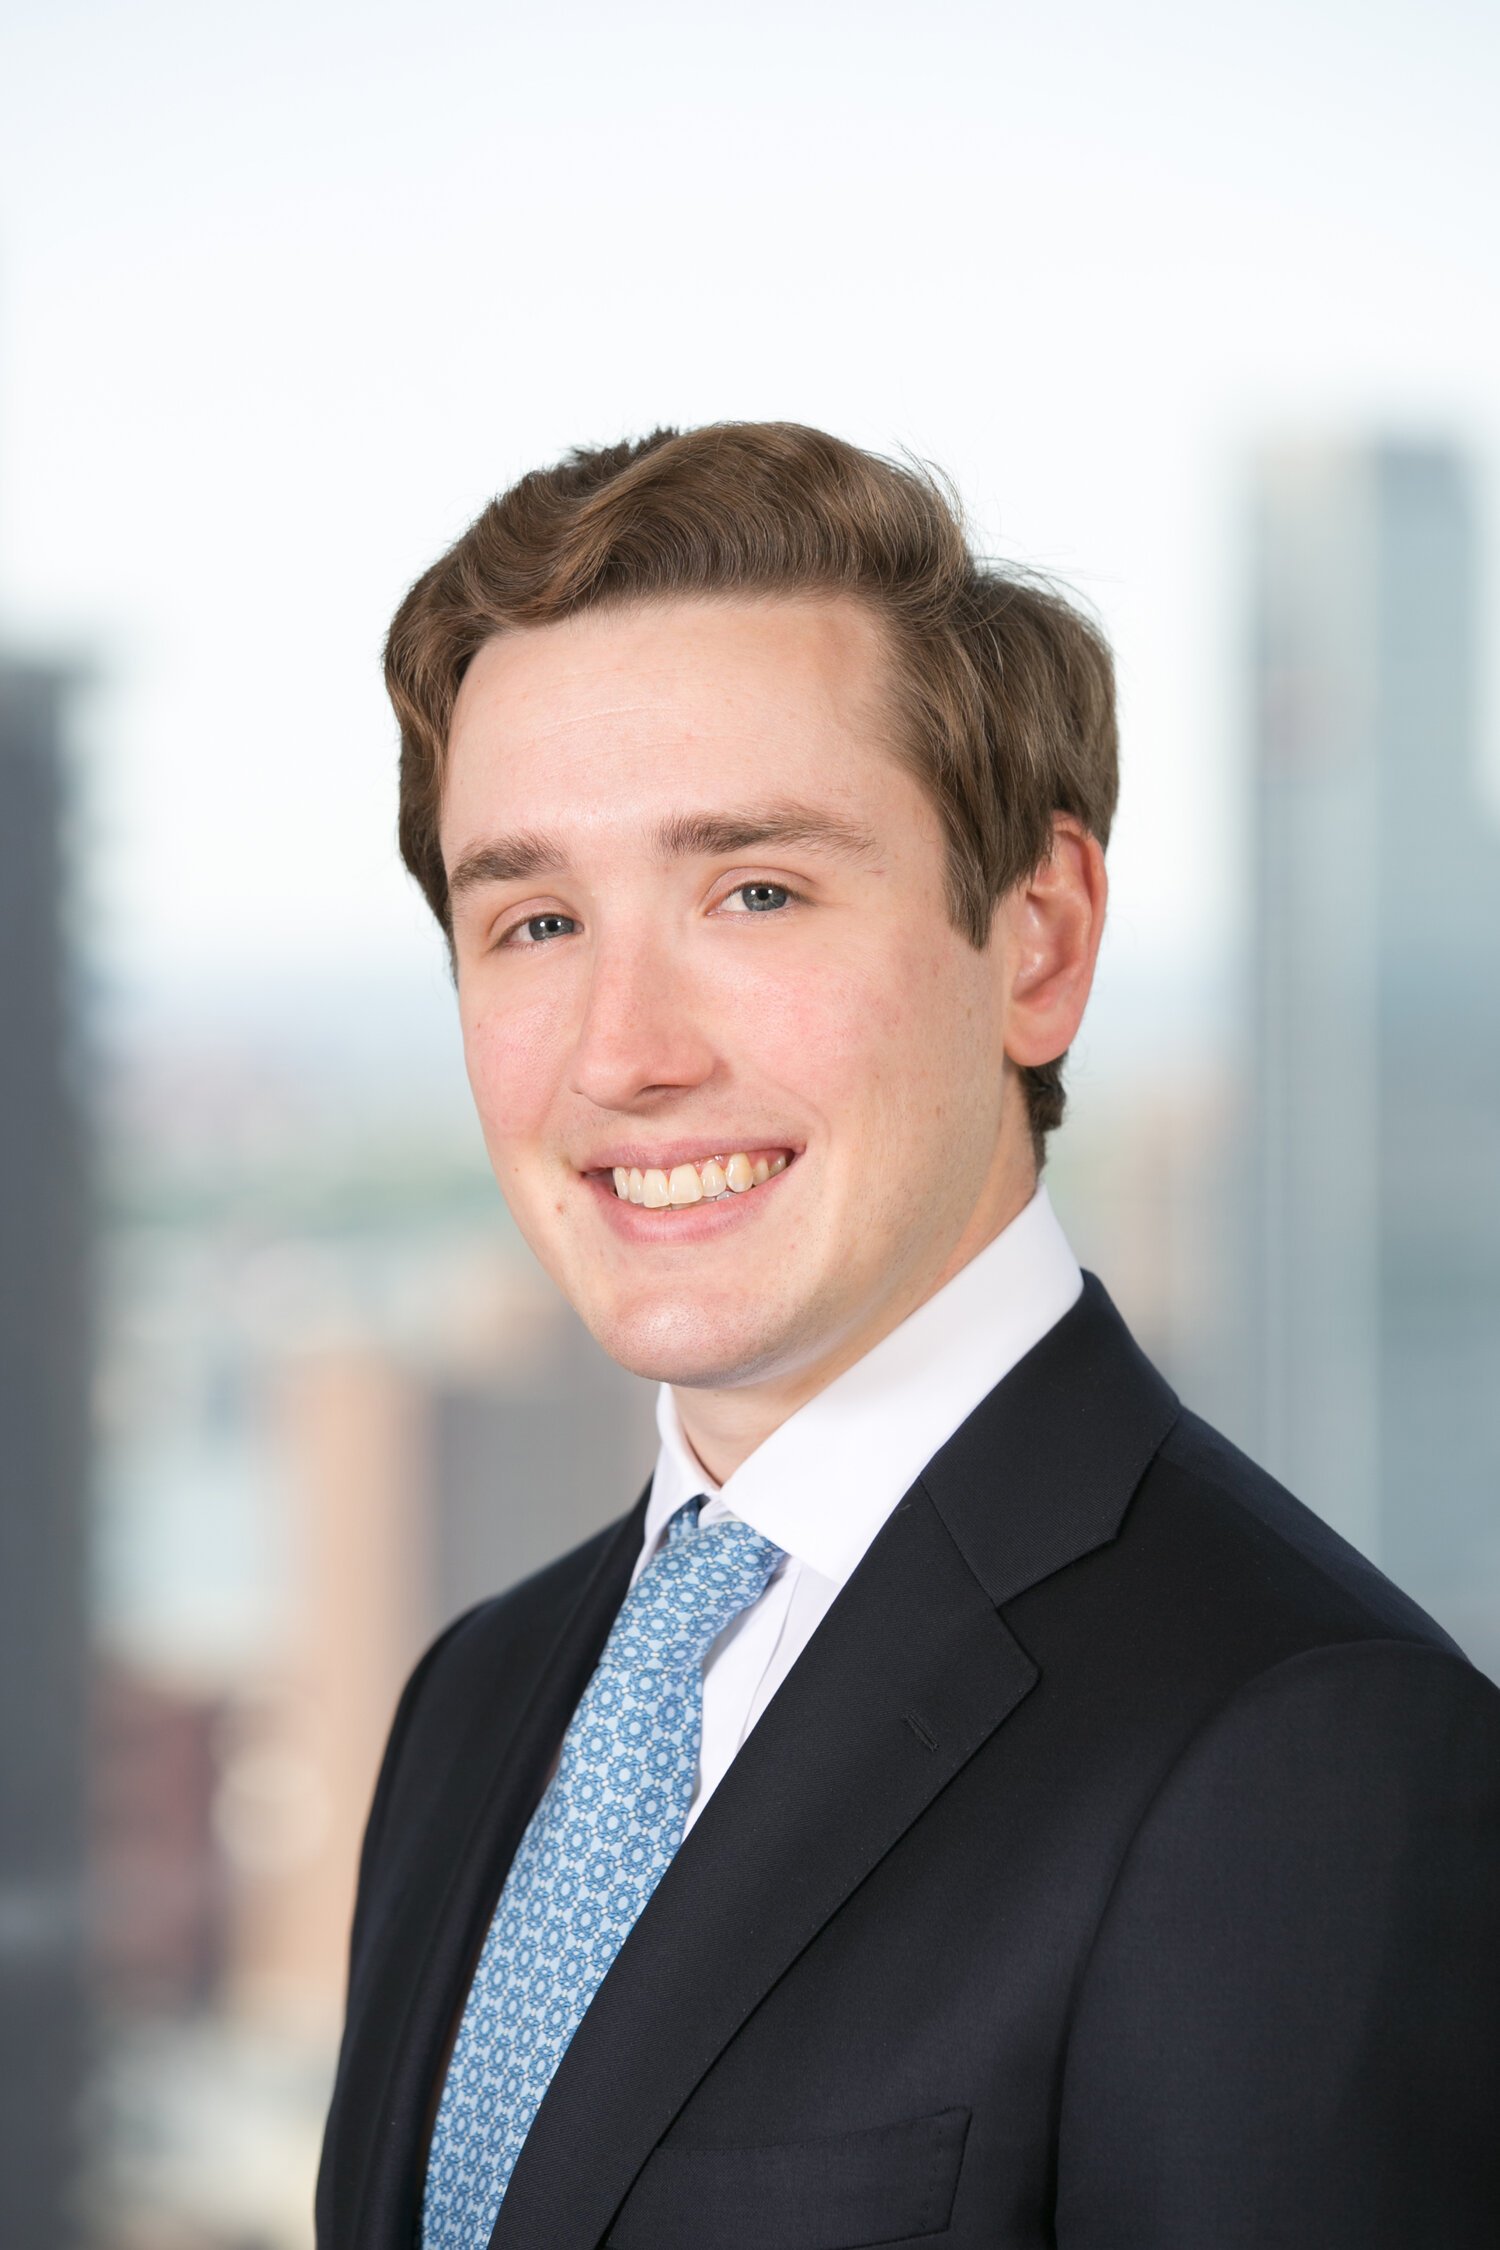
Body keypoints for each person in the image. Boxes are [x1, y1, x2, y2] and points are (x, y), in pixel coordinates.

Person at [316, 424, 1500, 2250]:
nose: (625, 1050)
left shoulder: (1307, 1759)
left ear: (1038, 940)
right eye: (537, 917)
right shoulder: (479, 1693)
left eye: (756, 890)